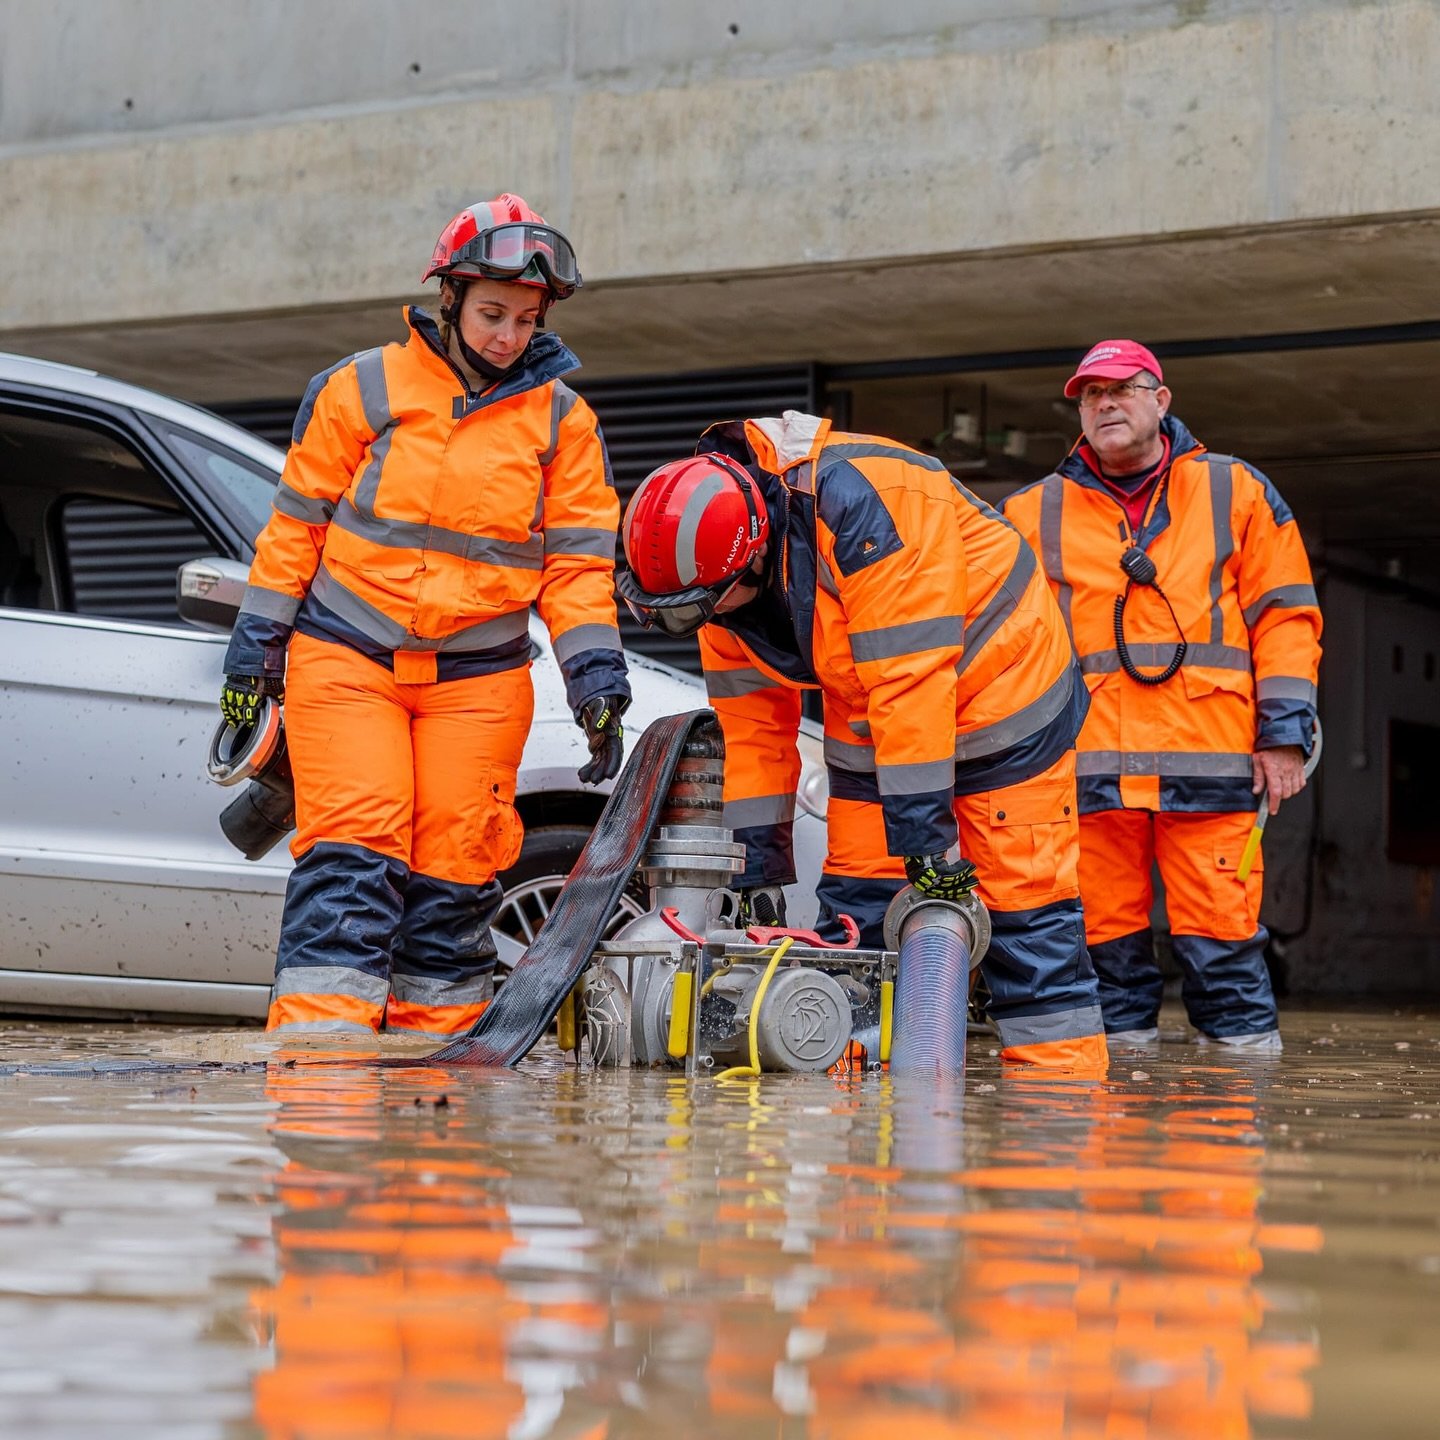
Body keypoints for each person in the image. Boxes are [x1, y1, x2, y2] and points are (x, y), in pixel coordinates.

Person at [220, 194, 630, 1036]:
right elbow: (293, 533)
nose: (507, 337)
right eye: (490, 313)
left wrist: (596, 682)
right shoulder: (361, 387)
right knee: (354, 853)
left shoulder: (563, 424)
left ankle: (433, 1102)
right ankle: (321, 1081)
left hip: (478, 680)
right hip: (348, 658)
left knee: (457, 871)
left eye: (524, 318)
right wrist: (251, 659)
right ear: (447, 298)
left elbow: (578, 571)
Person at [618, 411, 1109, 1070]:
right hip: (880, 723)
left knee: (1027, 929)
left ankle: (1059, 1119)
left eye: (698, 606)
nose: (698, 620)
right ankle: (854, 1126)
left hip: (1003, 706)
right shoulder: (719, 581)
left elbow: (912, 681)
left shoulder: (866, 501)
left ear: (753, 552)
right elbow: (755, 727)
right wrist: (761, 870)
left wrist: (925, 842)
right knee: (856, 928)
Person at [1002, 340, 1322, 1050]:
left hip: (1209, 770)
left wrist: (1283, 735)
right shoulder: (1031, 512)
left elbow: (1287, 618)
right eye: (1090, 394)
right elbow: (1001, 642)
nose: (1105, 403)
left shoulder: (1235, 491)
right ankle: (1114, 1137)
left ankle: (1237, 1119)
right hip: (1088, 778)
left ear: (1161, 400)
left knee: (1225, 951)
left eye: (1122, 388)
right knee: (1106, 961)